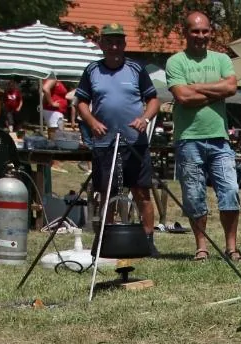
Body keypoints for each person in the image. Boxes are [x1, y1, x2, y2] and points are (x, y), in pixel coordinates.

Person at [72, 23, 160, 257]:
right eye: (109, 42)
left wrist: (144, 119)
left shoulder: (136, 69)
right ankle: (106, 240)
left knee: (142, 192)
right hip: (105, 143)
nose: (114, 47)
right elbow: (81, 102)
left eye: (118, 42)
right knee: (106, 193)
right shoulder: (92, 70)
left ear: (124, 44)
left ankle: (148, 241)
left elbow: (153, 100)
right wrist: (92, 122)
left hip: (134, 142)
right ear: (102, 44)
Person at [165, 11, 241, 262]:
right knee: (194, 195)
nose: (200, 36)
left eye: (204, 31)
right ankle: (201, 247)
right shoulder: (176, 62)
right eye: (195, 31)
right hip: (188, 138)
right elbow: (182, 97)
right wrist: (216, 92)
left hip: (220, 138)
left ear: (211, 32)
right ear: (185, 32)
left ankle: (232, 248)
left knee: (230, 191)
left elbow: (231, 87)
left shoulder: (222, 59)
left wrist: (196, 87)